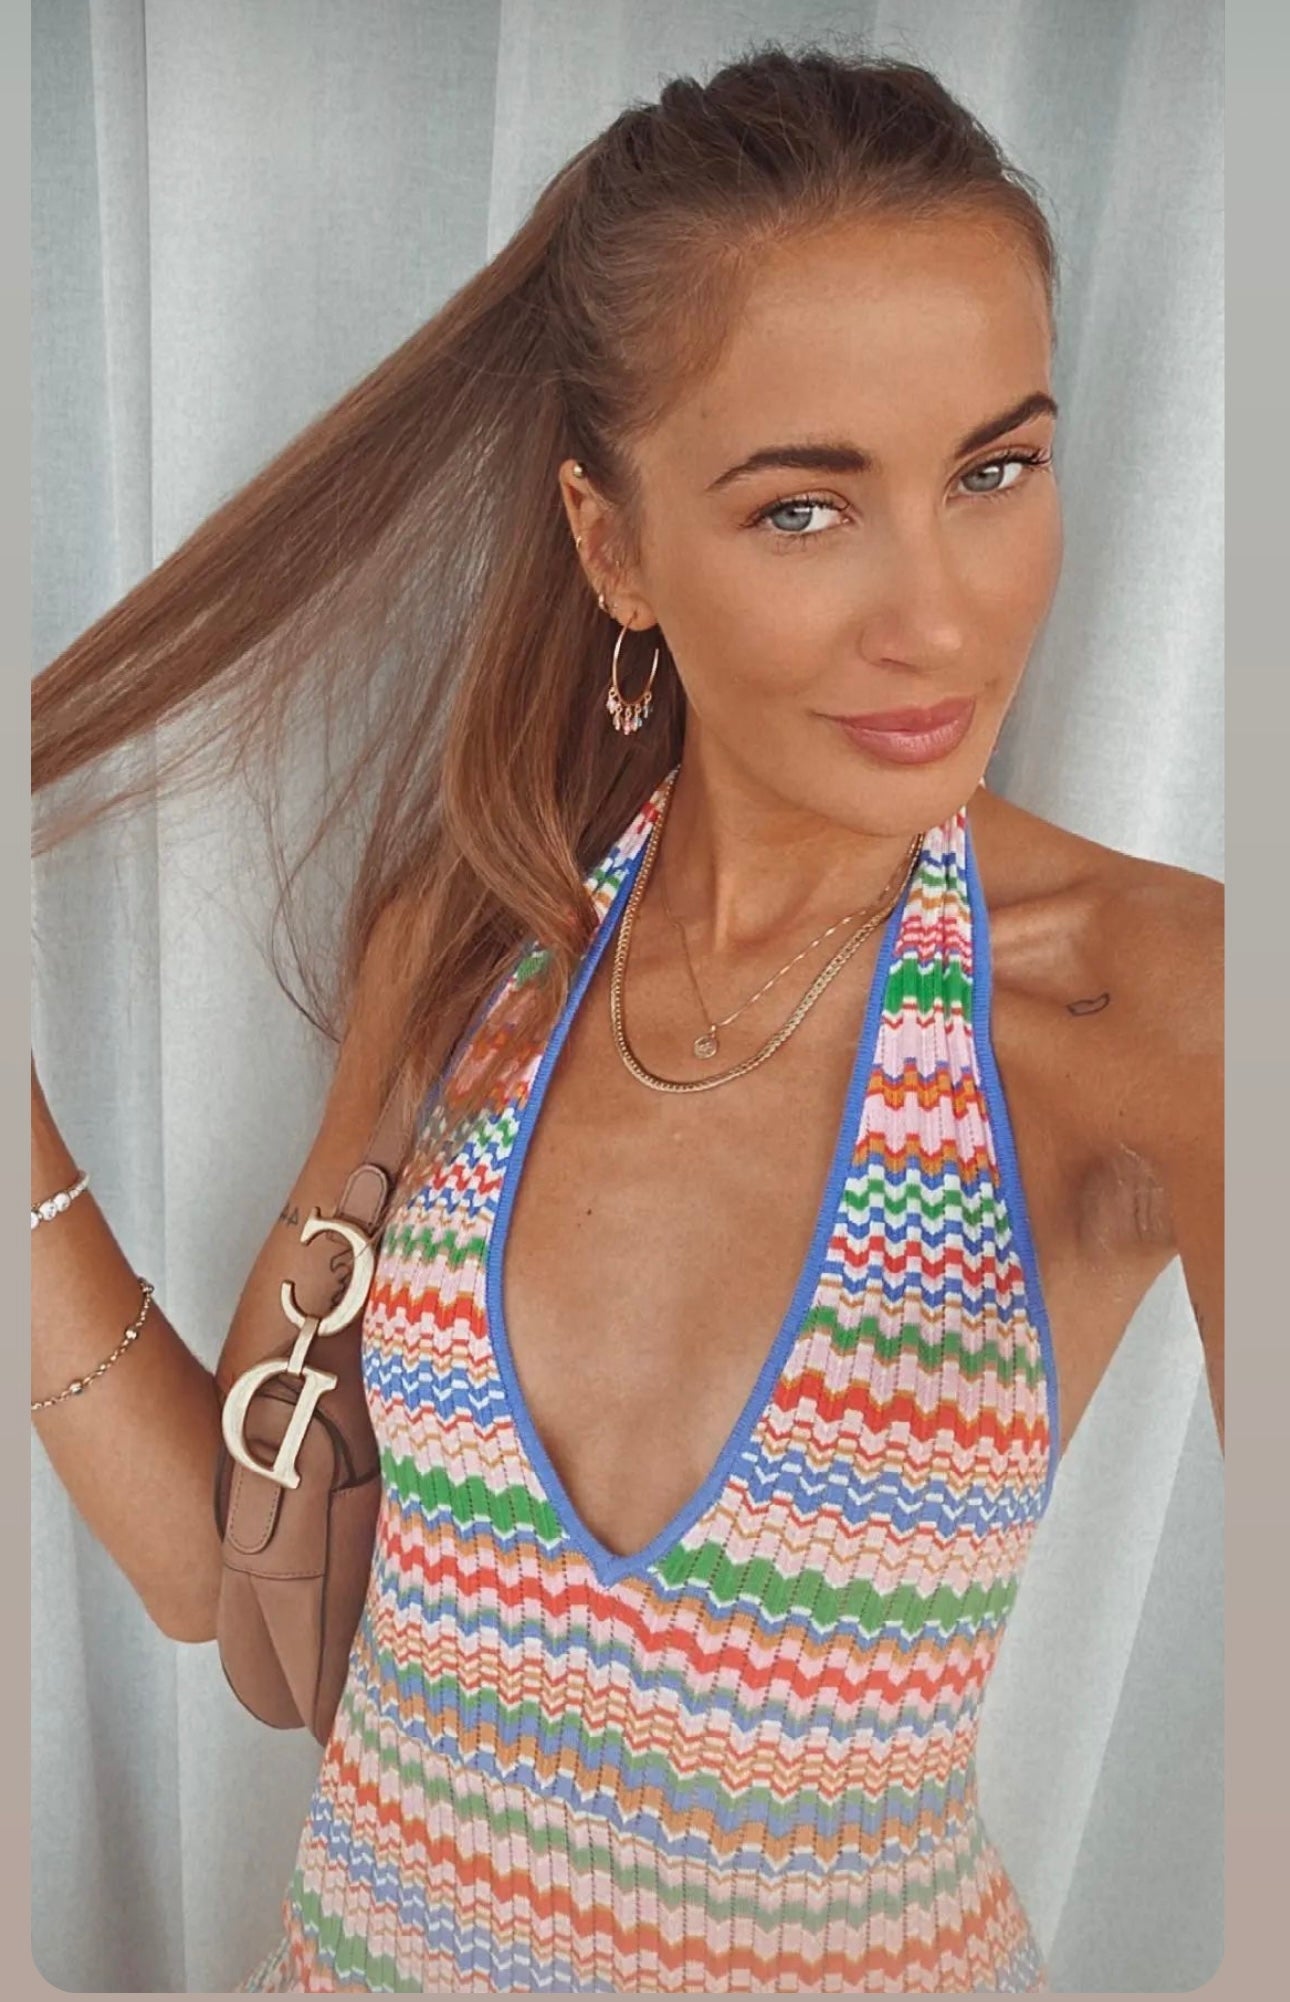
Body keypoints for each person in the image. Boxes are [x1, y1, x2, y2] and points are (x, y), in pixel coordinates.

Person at [30, 41, 1223, 1996]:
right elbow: (208, 1564)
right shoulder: (473, 949)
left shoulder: (1149, 1003)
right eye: (804, 508)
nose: (940, 616)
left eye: (994, 471)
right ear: (613, 545)